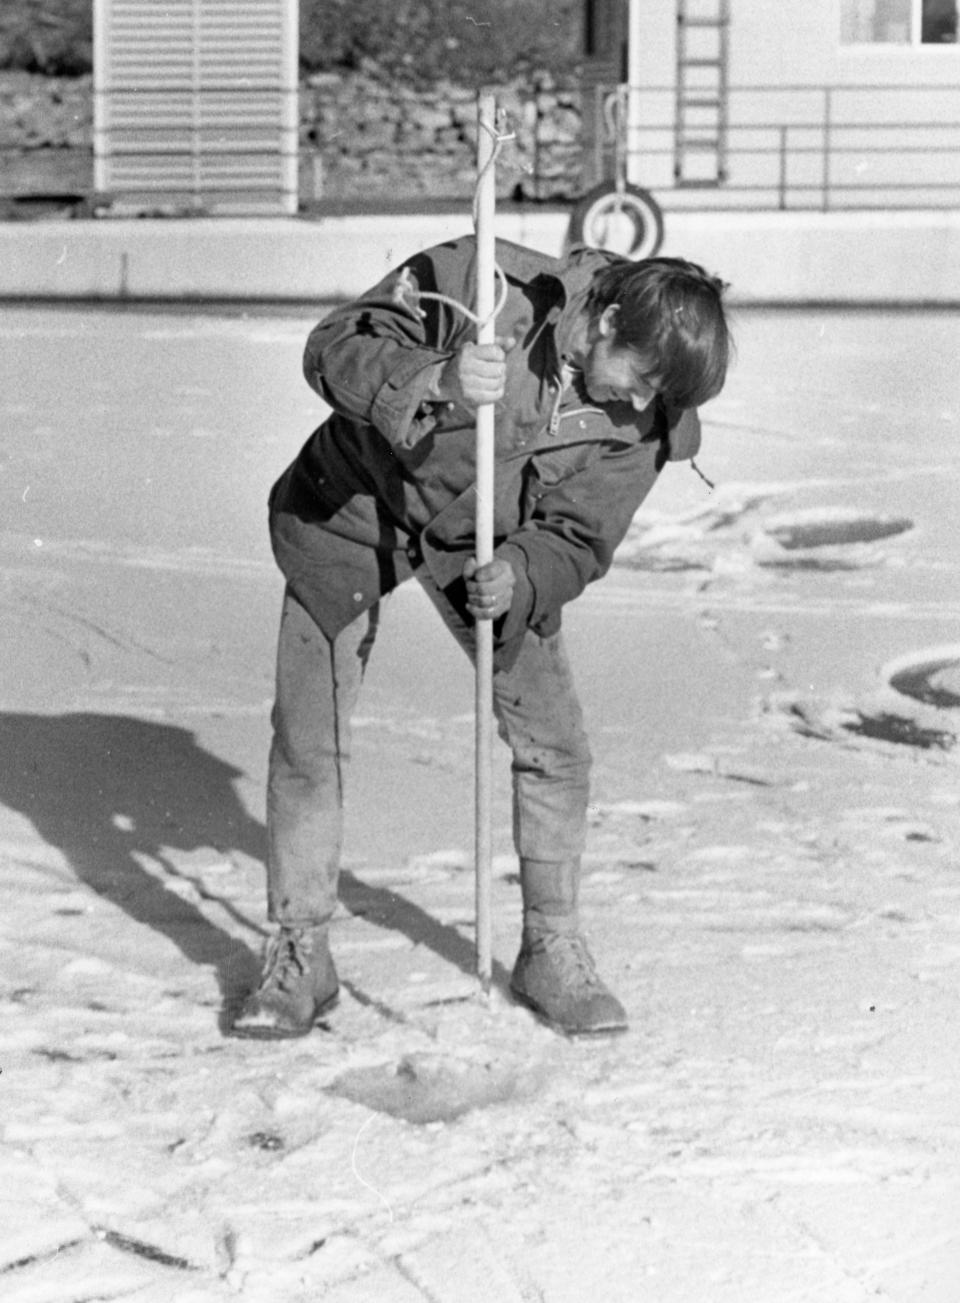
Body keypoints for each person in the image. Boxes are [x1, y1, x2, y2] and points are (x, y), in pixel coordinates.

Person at [231, 234, 730, 1040]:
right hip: (352, 510)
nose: (640, 407)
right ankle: (300, 952)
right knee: (307, 739)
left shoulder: (647, 422)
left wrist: (526, 577)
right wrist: (437, 379)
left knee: (556, 745)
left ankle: (551, 949)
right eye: (639, 379)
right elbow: (334, 347)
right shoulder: (481, 281)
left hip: (485, 552)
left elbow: (579, 532)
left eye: (656, 398)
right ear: (604, 320)